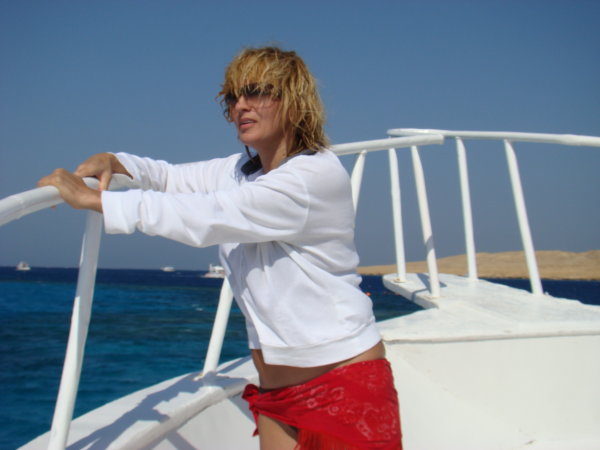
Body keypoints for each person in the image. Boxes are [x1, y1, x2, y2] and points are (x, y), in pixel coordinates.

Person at [38, 46, 402, 449]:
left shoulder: (311, 178)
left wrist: (98, 201)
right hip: (277, 394)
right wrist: (116, 161)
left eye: (256, 92)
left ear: (294, 100)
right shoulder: (242, 172)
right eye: (232, 97)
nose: (240, 106)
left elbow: (208, 215)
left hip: (343, 386)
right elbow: (170, 178)